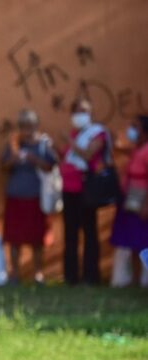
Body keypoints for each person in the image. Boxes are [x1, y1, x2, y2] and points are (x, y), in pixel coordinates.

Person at [1, 109, 58, 284]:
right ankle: (15, 274)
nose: (26, 129)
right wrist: (14, 159)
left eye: (29, 125)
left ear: (36, 126)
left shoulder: (43, 144)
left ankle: (38, 274)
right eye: (22, 126)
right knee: (14, 238)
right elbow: (3, 167)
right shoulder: (13, 144)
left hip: (36, 198)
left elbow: (52, 165)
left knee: (37, 239)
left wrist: (35, 160)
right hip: (15, 197)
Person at [58, 98, 107, 285]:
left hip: (86, 190)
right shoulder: (74, 134)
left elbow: (88, 155)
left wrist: (69, 141)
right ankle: (70, 277)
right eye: (77, 111)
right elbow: (64, 157)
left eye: (84, 111)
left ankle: (91, 276)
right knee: (70, 234)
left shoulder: (97, 133)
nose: (80, 114)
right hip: (68, 189)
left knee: (90, 233)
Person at [110, 115, 148, 286]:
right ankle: (135, 278)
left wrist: (146, 204)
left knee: (142, 239)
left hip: (141, 197)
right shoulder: (137, 150)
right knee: (133, 238)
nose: (132, 130)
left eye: (136, 127)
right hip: (131, 196)